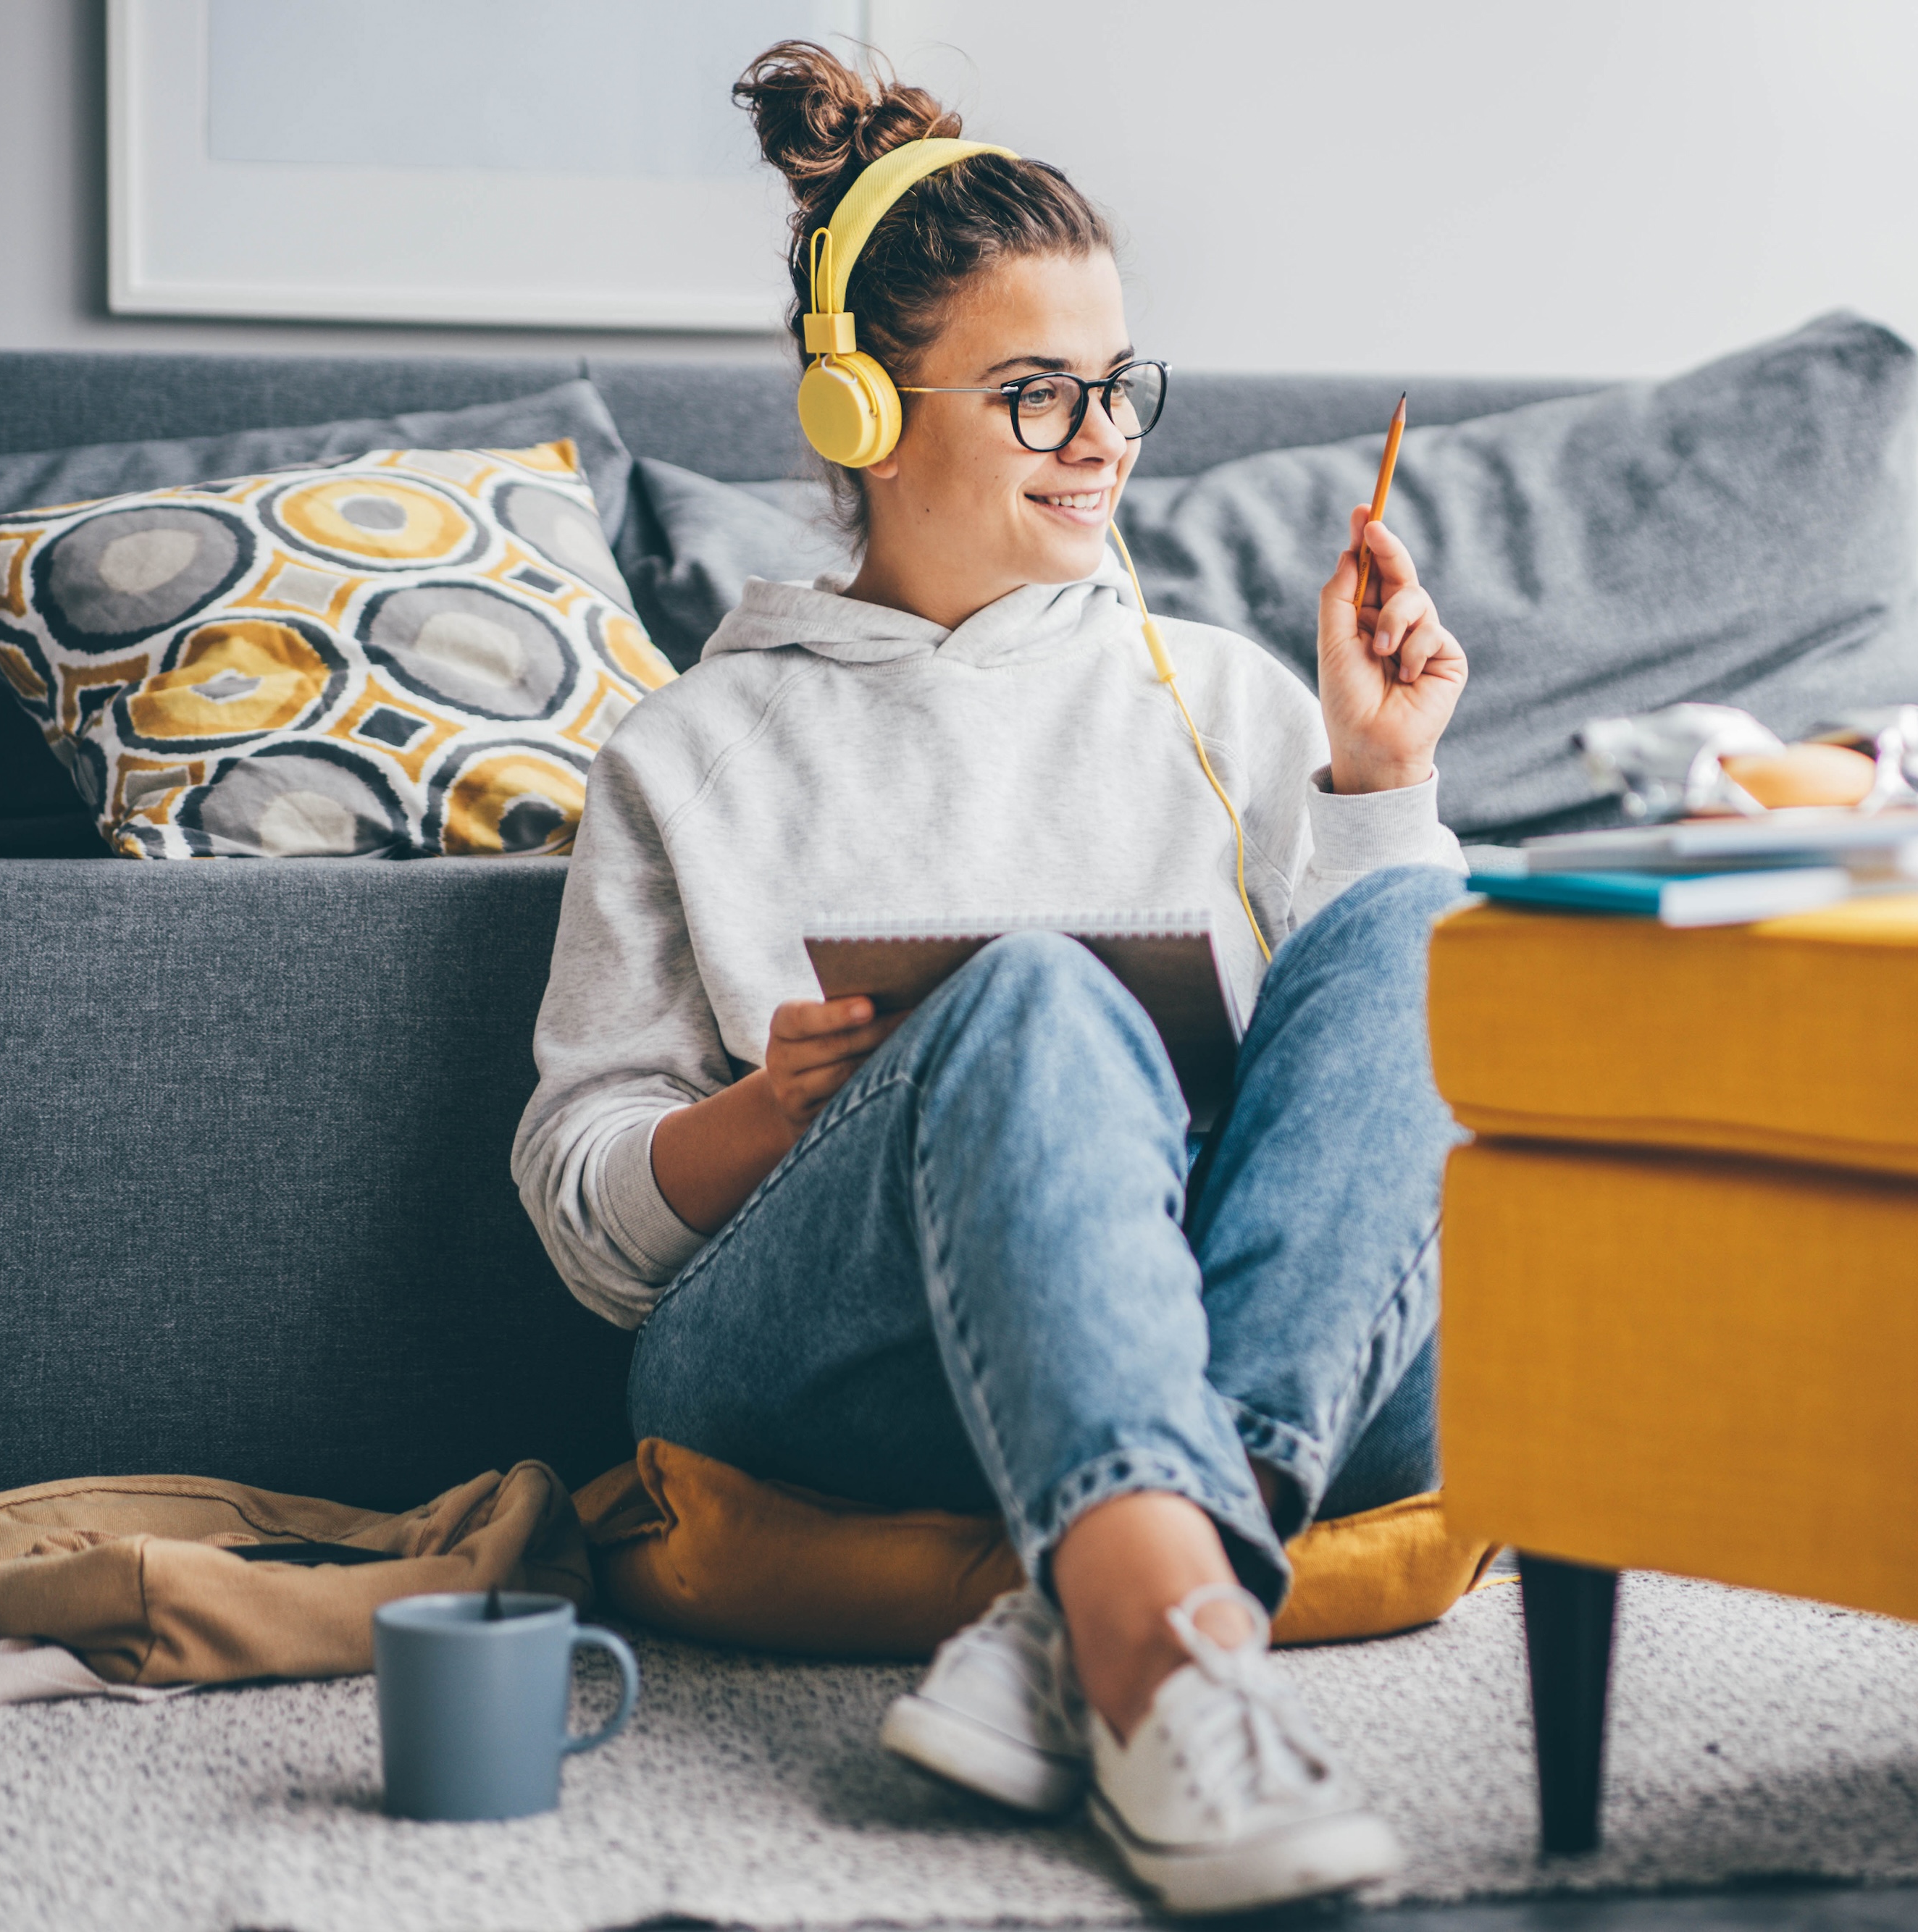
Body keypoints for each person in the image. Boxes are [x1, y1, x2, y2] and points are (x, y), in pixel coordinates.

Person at [510, 40, 1473, 1918]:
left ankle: (1110, 1596)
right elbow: (584, 1216)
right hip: (850, 1371)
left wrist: (1381, 785)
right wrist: (753, 1123)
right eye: (1039, 395)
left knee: (1429, 924)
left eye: (1119, 386)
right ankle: (1167, 1674)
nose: (1104, 436)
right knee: (1031, 999)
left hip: (1253, 1343)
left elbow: (1373, 1122)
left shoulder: (1233, 696)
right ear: (864, 413)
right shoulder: (692, 751)